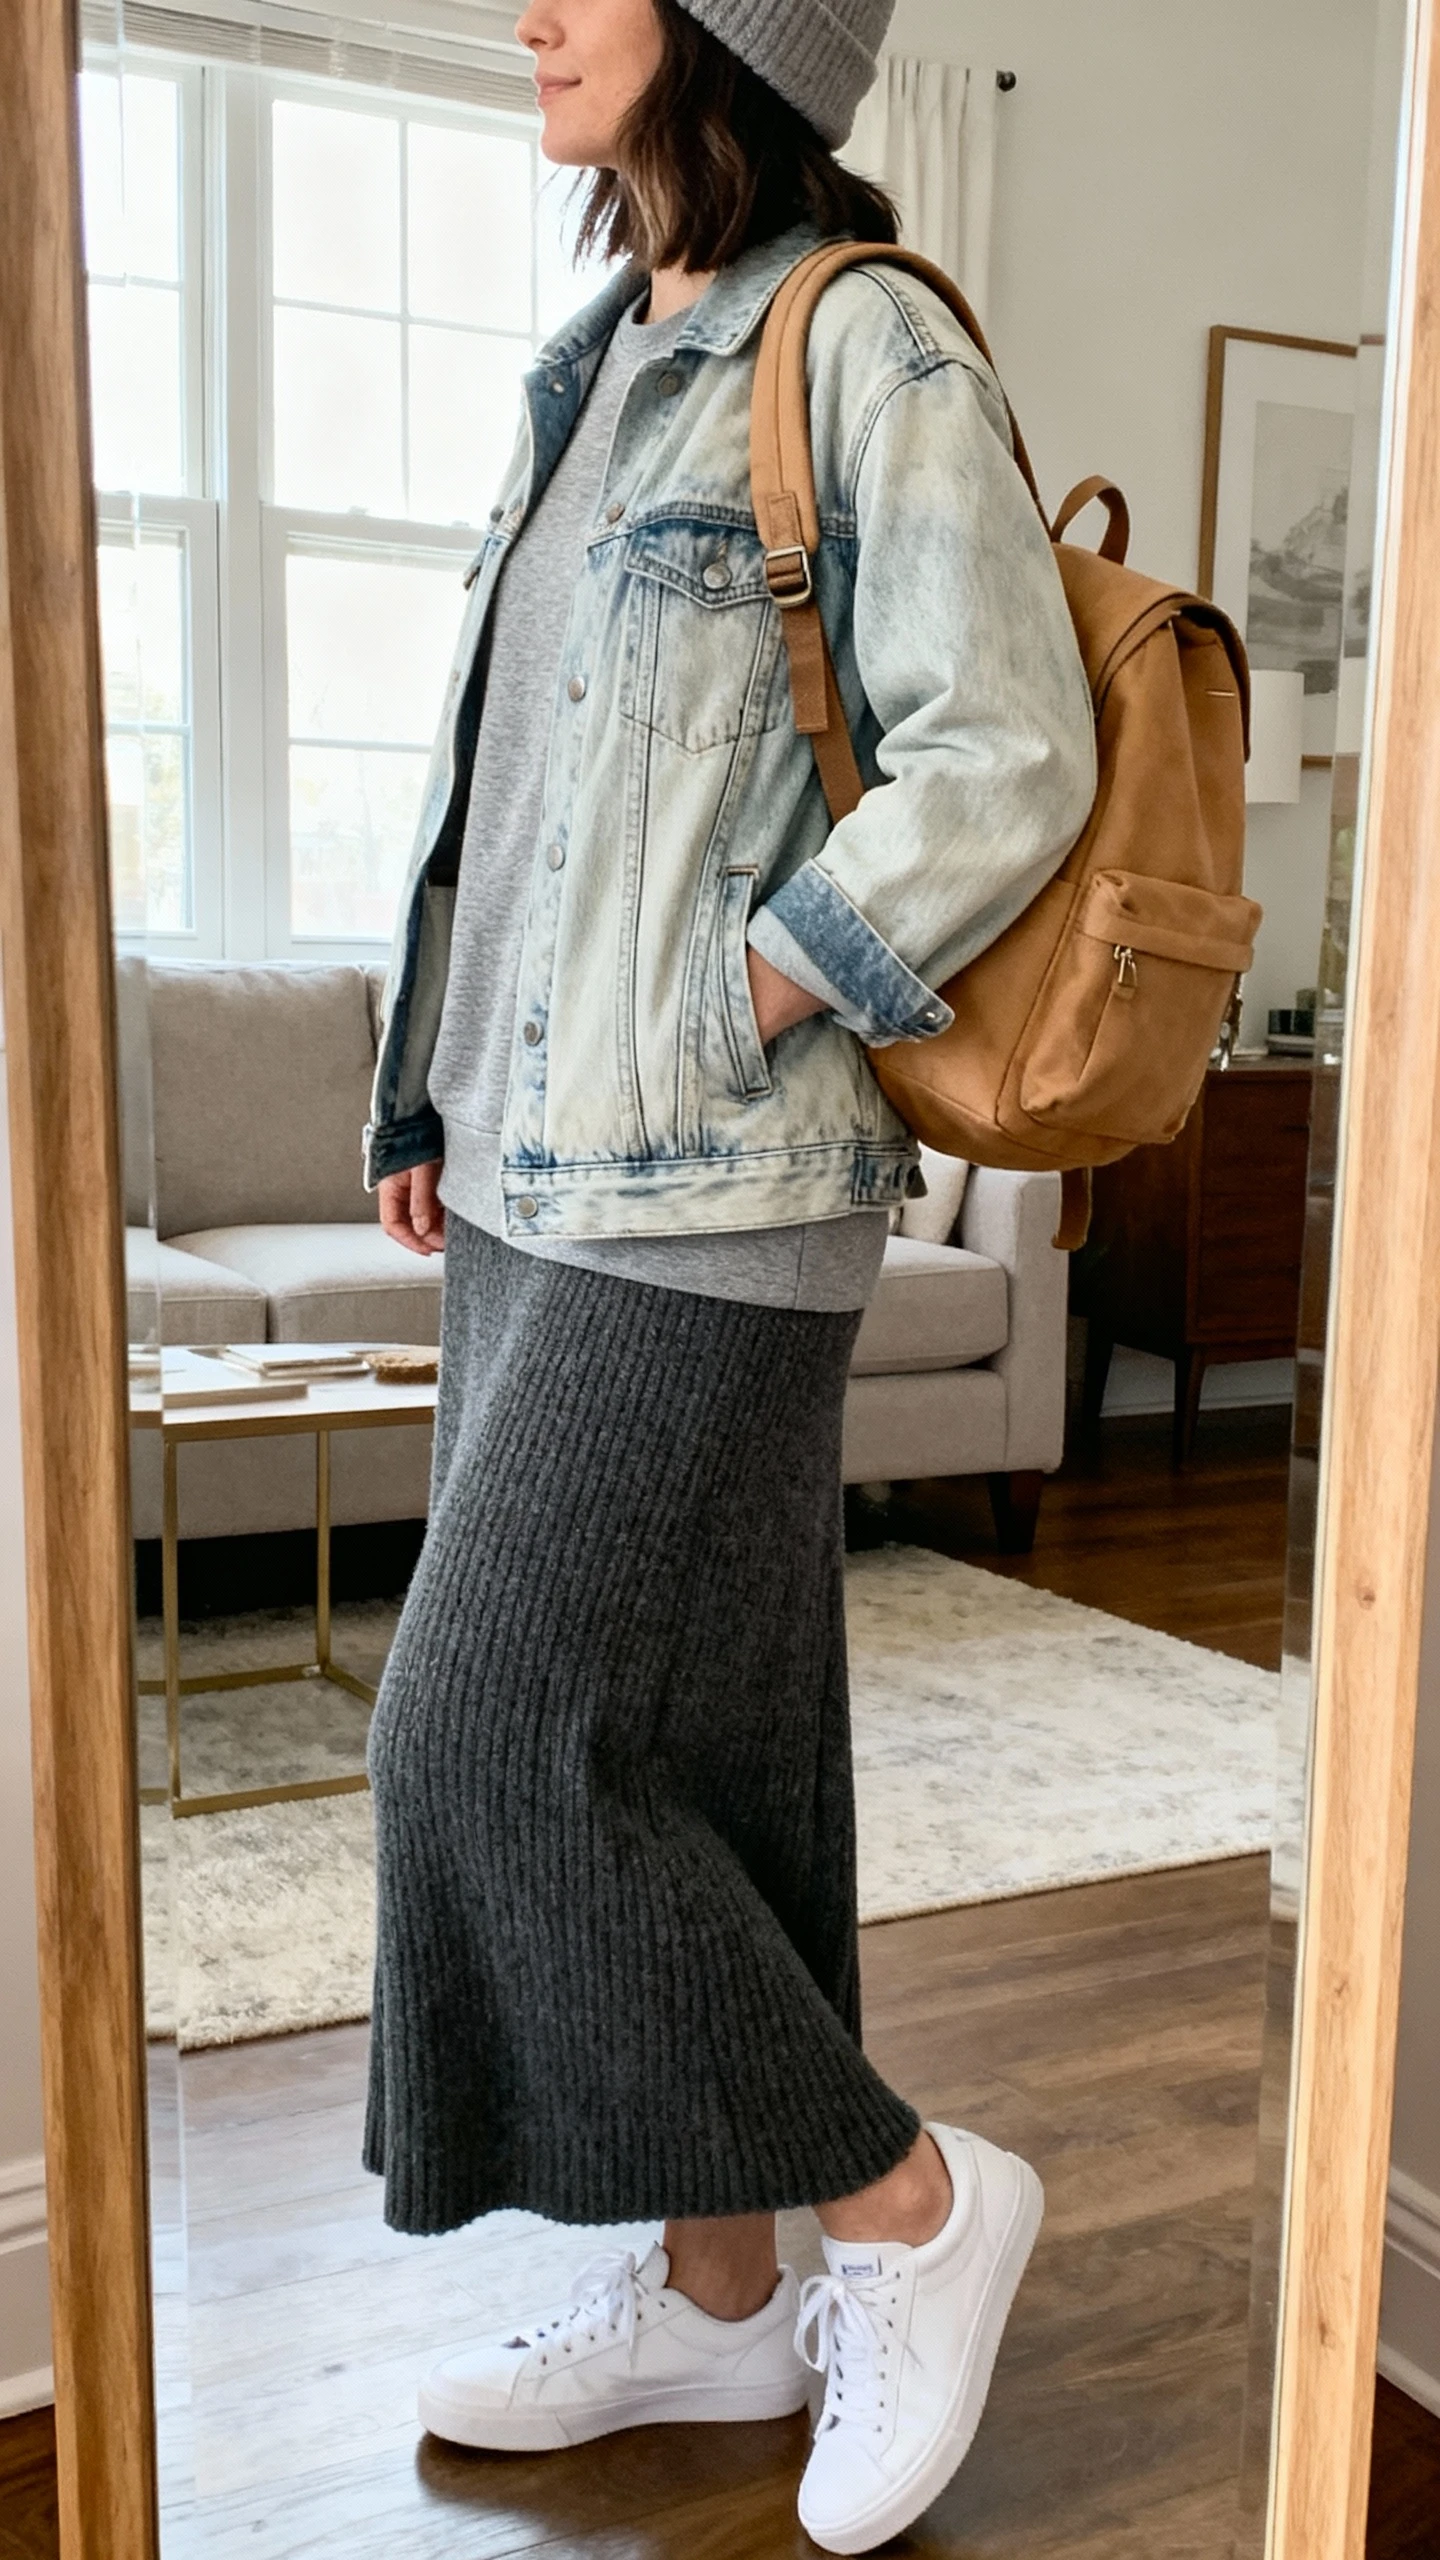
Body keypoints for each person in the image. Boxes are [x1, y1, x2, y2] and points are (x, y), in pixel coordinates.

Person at [362, 0, 1095, 2547]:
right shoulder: (598, 360)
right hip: (529, 1173)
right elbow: (517, 778)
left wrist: (760, 977)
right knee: (697, 1753)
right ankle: (713, 2292)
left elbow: (1007, 746)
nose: (530, 9)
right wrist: (420, 1086)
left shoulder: (864, 340)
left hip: (711, 1181)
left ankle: (909, 2203)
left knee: (477, 1730)